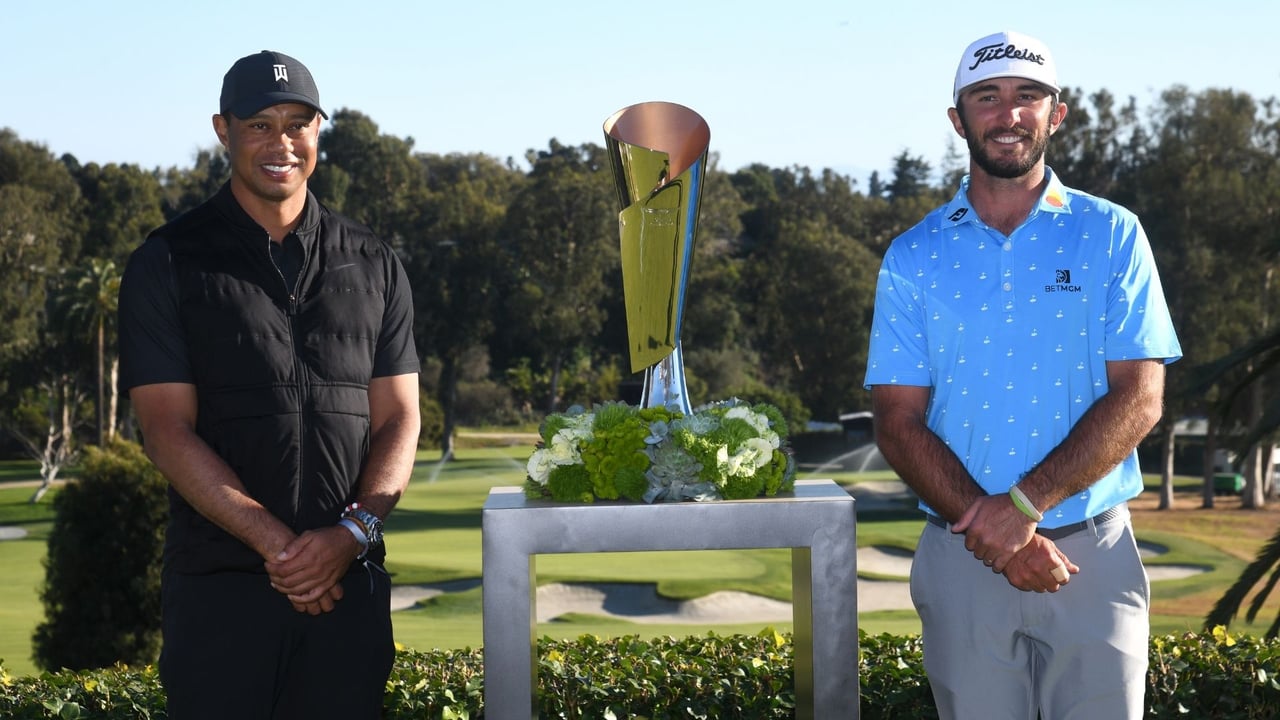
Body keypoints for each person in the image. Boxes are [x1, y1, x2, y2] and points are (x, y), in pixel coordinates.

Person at [864, 30, 1182, 719]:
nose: (1009, 113)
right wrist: (1000, 536)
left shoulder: (1113, 234)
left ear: (1056, 113)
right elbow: (896, 420)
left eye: (1027, 95)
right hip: (961, 557)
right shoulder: (913, 255)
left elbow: (1141, 398)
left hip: (1091, 555)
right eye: (987, 96)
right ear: (959, 119)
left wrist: (1021, 512)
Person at [117, 50, 421, 719]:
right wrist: (286, 552)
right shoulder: (167, 262)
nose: (281, 142)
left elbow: (400, 419)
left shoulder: (374, 262)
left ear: (319, 133)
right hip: (220, 599)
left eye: (298, 123)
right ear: (223, 130)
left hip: (350, 594)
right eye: (259, 124)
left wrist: (350, 535)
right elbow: (167, 432)